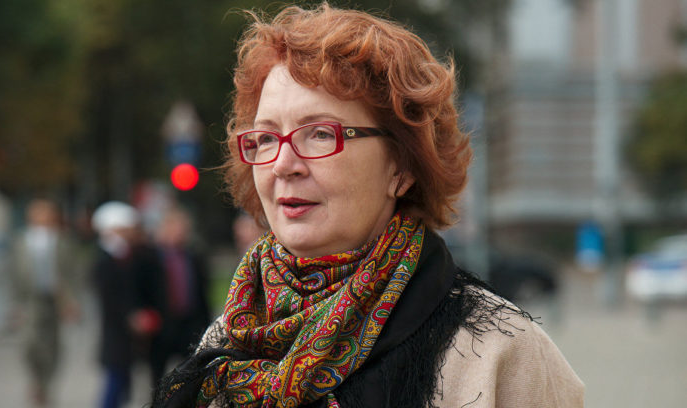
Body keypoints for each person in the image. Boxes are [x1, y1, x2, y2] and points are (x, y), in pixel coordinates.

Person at [154, 3, 584, 407]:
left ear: (402, 167)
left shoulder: (501, 354)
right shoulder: (227, 339)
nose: (283, 164)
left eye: (320, 134)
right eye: (266, 138)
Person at [10, 198, 81, 407]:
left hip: (56, 299)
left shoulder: (63, 241)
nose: (43, 218)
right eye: (38, 213)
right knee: (29, 344)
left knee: (53, 347)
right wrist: (15, 304)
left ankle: (47, 385)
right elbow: (12, 274)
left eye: (47, 214)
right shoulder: (21, 241)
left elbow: (73, 274)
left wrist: (72, 302)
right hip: (30, 300)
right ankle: (37, 380)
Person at [91, 201, 162, 408]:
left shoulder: (127, 256)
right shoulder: (106, 261)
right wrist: (131, 317)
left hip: (123, 335)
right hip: (117, 334)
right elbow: (112, 298)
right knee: (115, 384)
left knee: (121, 385)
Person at [149, 207, 212, 388]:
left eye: (185, 229)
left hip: (190, 324)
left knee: (191, 376)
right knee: (158, 379)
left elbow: (202, 292)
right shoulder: (151, 257)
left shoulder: (193, 256)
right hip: (161, 326)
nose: (182, 233)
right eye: (178, 228)